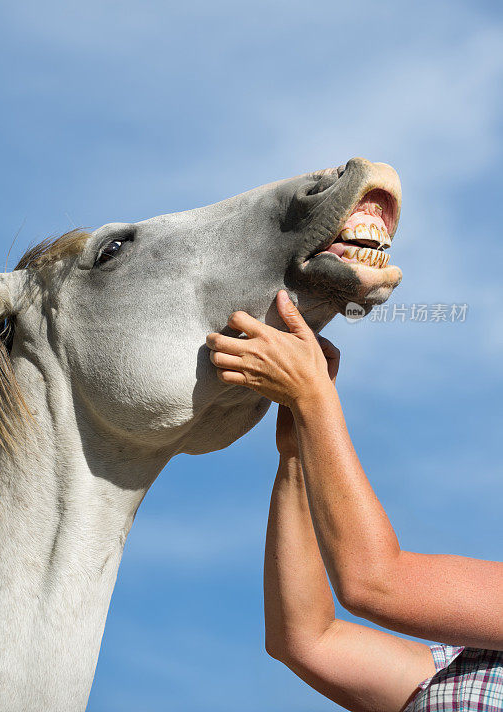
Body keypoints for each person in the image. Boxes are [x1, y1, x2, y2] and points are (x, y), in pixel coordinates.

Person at [206, 290, 503, 712]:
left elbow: (376, 582)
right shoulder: (475, 671)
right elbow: (307, 640)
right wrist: (297, 453)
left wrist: (313, 397)